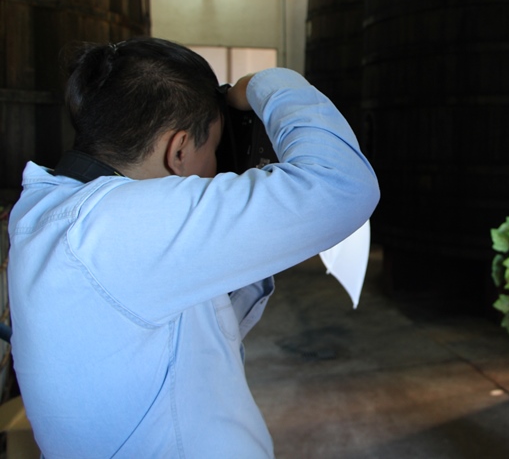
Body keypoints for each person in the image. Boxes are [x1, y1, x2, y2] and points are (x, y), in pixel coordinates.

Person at [7, 37, 380, 458]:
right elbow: (342, 186)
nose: (218, 167)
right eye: (214, 149)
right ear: (179, 149)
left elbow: (198, 332)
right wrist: (270, 82)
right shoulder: (117, 227)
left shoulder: (51, 208)